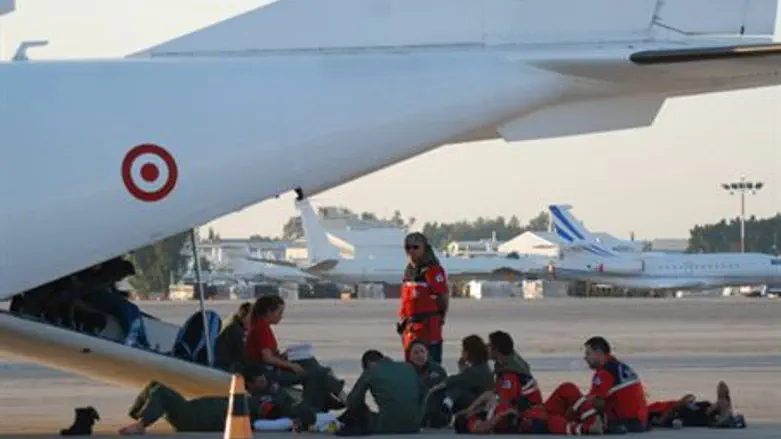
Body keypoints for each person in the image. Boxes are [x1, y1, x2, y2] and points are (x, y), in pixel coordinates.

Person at [117, 372, 316, 435]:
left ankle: (141, 425)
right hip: (193, 410)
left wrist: (295, 416)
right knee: (154, 385)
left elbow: (272, 413)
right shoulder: (263, 400)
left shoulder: (269, 407)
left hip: (194, 419)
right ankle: (138, 416)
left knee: (161, 391)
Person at [244, 295, 346, 412]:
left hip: (267, 368)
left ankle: (327, 396)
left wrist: (285, 356)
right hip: (267, 372)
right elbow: (267, 358)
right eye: (279, 312)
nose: (281, 316)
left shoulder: (260, 326)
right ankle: (324, 399)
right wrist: (290, 365)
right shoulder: (262, 328)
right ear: (269, 312)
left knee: (310, 362)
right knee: (316, 372)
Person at [452, 331, 541, 434]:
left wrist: (478, 412)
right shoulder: (510, 362)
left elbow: (505, 402)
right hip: (521, 408)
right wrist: (471, 410)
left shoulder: (508, 372)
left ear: (497, 350)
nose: (487, 348)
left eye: (489, 345)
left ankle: (482, 427)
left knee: (465, 422)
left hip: (525, 412)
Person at [336, 350, 425, 436]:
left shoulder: (370, 371)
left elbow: (352, 402)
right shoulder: (408, 367)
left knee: (359, 410)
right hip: (414, 425)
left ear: (367, 364)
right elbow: (424, 393)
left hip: (386, 425)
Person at [397, 232, 448, 364]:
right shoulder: (409, 271)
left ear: (425, 248)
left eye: (415, 247)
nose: (411, 251)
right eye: (408, 248)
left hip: (428, 329)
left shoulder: (433, 270)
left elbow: (443, 297)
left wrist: (440, 317)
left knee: (431, 366)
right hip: (410, 330)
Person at [428, 335, 494, 419]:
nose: (462, 352)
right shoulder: (479, 367)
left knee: (456, 387)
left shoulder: (479, 370)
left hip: (479, 404)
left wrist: (437, 387)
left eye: (463, 350)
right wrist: (462, 368)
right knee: (458, 386)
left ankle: (446, 407)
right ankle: (447, 404)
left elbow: (457, 379)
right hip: (476, 399)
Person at [648, 381, 746, 429]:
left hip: (701, 413)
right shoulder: (678, 409)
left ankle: (724, 420)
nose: (720, 390)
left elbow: (709, 411)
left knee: (721, 404)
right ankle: (724, 420)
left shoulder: (717, 404)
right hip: (698, 413)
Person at [406, 340, 450, 428]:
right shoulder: (405, 372)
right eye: (416, 352)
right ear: (410, 356)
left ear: (427, 353)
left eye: (422, 351)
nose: (420, 355)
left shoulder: (438, 370)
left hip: (435, 409)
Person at [214, 302, 252, 371]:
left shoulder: (232, 323)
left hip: (221, 362)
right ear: (243, 316)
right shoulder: (235, 329)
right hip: (223, 366)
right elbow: (243, 355)